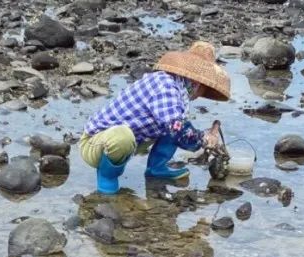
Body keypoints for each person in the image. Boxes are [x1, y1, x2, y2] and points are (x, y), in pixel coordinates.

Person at [80, 41, 231, 194]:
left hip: (134, 140)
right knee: (126, 136)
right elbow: (177, 130)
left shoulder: (179, 92)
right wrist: (204, 139)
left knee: (178, 124)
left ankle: (156, 169)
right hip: (95, 143)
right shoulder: (165, 86)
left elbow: (179, 126)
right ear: (197, 83)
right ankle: (107, 180)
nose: (200, 96)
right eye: (204, 91)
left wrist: (203, 135)